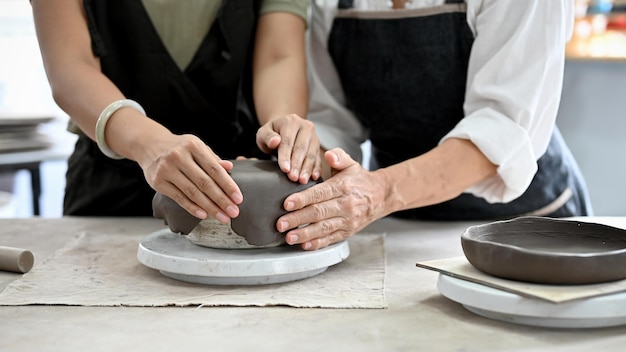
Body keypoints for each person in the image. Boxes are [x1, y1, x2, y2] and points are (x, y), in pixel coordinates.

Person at [277, 0, 594, 250]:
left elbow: (501, 127)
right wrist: (307, 159)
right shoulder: (327, 3)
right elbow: (333, 120)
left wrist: (379, 192)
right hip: (399, 228)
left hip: (525, 228)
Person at [30, 0, 321, 223]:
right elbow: (71, 68)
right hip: (110, 187)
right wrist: (149, 144)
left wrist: (282, 122)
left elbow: (278, 57)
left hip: (240, 185)